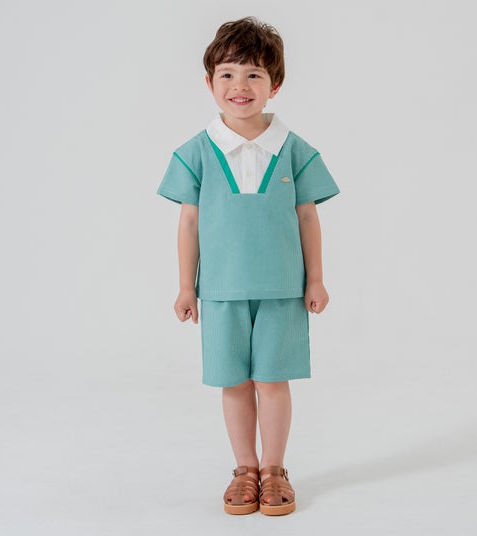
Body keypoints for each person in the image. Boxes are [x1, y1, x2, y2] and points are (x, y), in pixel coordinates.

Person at [157, 16, 339, 516]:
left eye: (254, 74)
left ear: (274, 85)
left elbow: (308, 217)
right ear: (210, 82)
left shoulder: (295, 151)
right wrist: (186, 286)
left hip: (283, 289)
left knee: (273, 382)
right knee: (234, 383)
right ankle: (245, 468)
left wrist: (316, 279)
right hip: (219, 292)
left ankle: (275, 469)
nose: (240, 85)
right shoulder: (195, 152)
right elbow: (189, 222)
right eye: (228, 74)